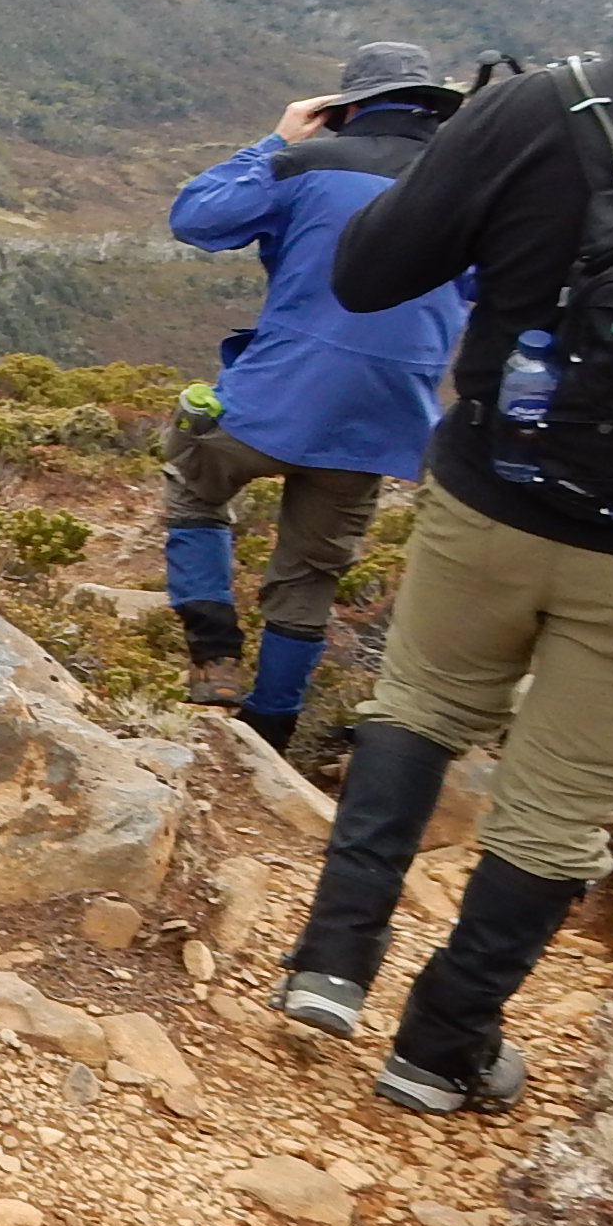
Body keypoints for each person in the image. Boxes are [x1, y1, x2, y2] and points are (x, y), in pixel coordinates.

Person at [272, 0, 613, 1114]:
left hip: (490, 500)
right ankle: (441, 1048)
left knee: (421, 708)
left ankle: (332, 963)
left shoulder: (544, 102)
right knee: (558, 809)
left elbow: (375, 268)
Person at [161, 43, 469, 747]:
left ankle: (213, 657)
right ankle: (270, 731)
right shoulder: (473, 187)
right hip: (388, 417)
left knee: (193, 475)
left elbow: (198, 217)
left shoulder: (306, 163)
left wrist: (275, 139)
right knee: (312, 570)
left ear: (345, 109)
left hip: (278, 392)